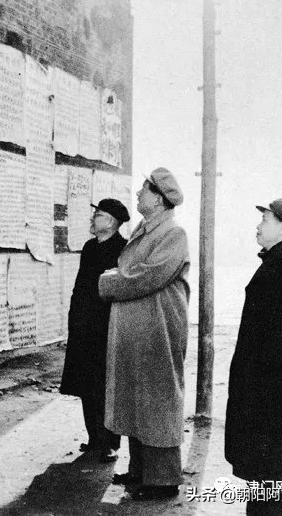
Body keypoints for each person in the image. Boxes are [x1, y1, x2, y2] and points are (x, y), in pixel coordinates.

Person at [98, 167, 190, 501]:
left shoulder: (173, 233)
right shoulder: (146, 228)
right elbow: (130, 270)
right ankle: (140, 471)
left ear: (161, 199)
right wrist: (118, 275)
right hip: (141, 330)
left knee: (159, 400)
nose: (138, 194)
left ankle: (164, 480)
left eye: (145, 190)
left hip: (159, 330)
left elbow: (145, 277)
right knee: (138, 397)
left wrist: (107, 281)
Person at [225, 199, 282, 516]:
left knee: (269, 490)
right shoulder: (280, 262)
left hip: (273, 401)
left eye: (265, 219)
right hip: (269, 398)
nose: (258, 225)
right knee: (264, 488)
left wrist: (255, 382)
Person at [60, 198, 130, 463]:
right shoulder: (90, 247)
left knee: (107, 386)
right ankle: (94, 439)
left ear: (111, 221)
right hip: (83, 325)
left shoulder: (123, 249)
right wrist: (74, 318)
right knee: (87, 384)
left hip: (107, 326)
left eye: (97, 215)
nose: (92, 219)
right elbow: (81, 287)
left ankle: (110, 443)